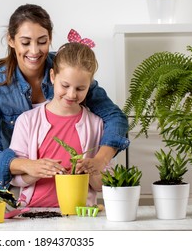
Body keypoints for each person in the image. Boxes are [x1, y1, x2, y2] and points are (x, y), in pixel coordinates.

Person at [0, 4, 129, 189]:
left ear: (50, 39)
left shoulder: (68, 67)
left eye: (42, 41)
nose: (34, 51)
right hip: (11, 187)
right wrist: (28, 165)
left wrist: (99, 160)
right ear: (11, 40)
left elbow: (115, 118)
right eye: (25, 42)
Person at [9, 39, 114, 207]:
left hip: (81, 215)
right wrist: (34, 171)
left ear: (90, 85)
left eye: (80, 89)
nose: (71, 94)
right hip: (32, 213)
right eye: (65, 85)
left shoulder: (96, 125)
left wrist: (92, 171)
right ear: (52, 77)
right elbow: (14, 179)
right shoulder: (27, 121)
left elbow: (102, 186)